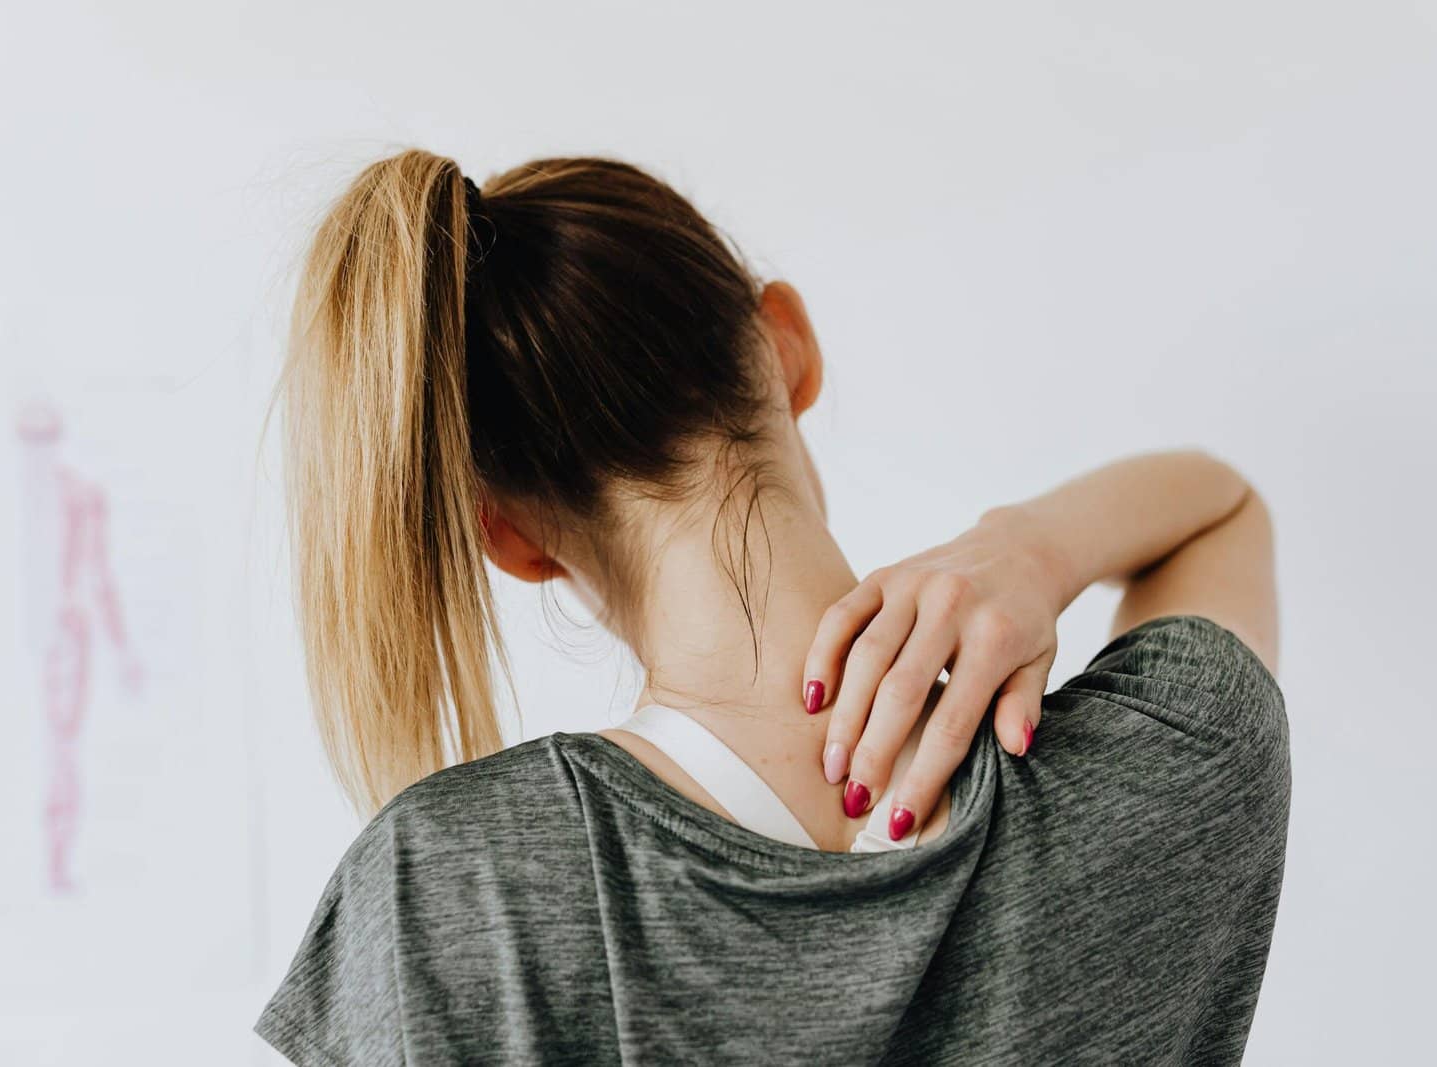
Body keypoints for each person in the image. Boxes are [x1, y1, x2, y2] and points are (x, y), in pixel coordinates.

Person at [256, 149, 1289, 1065]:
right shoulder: (1168, 760)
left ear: (510, 536)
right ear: (786, 345)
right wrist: (1033, 546)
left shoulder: (459, 886)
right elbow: (1220, 504)